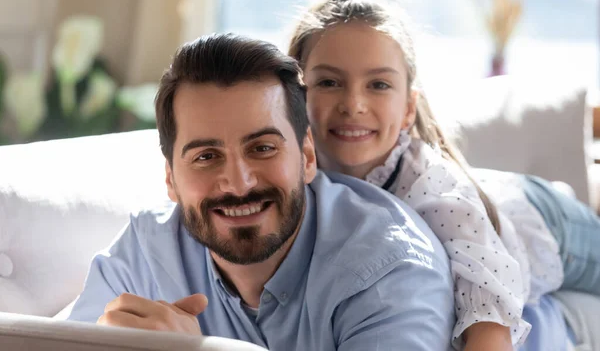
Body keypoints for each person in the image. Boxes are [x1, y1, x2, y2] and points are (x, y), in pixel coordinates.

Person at [66, 33, 456, 350]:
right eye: (206, 157)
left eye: (263, 148)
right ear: (170, 179)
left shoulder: (390, 272)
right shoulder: (146, 253)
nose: (239, 183)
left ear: (306, 156)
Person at [288, 0, 600, 351]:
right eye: (329, 83)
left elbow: (489, 319)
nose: (353, 104)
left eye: (379, 85)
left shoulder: (432, 190)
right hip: (495, 192)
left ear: (408, 109)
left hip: (549, 227)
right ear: (294, 95)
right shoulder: (294, 171)